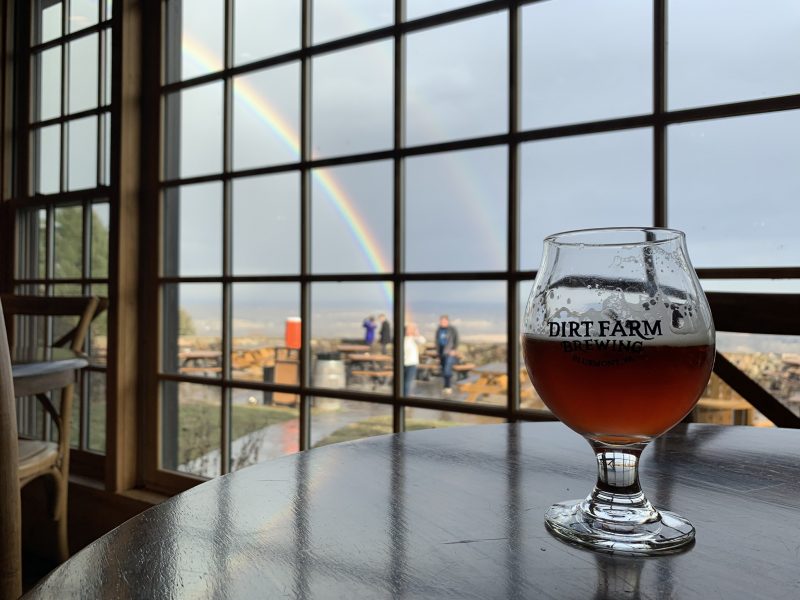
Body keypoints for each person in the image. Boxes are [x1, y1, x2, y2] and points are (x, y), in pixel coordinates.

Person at [435, 315, 459, 395]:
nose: (442, 323)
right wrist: (438, 355)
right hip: (441, 352)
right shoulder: (439, 330)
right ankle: (446, 386)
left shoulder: (452, 329)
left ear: (447, 321)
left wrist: (454, 350)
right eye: (441, 321)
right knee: (444, 369)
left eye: (444, 321)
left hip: (450, 352)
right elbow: (437, 342)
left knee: (447, 369)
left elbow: (456, 339)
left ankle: (448, 387)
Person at [403, 323, 425, 396]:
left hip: (412, 363)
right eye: (408, 329)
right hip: (403, 363)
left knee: (407, 382)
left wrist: (416, 333)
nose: (409, 331)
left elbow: (422, 341)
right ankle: (404, 396)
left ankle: (405, 397)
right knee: (403, 381)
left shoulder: (414, 338)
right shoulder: (403, 338)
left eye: (411, 329)